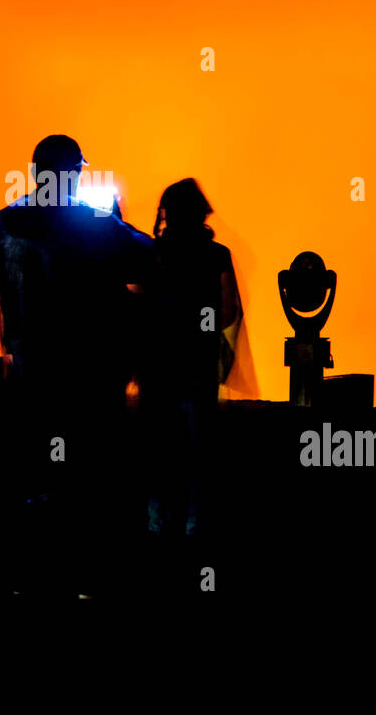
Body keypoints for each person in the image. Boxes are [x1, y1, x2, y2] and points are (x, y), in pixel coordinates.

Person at [0, 134, 153, 595]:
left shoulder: (5, 224)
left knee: (35, 477)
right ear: (74, 172)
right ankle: (88, 580)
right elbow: (146, 260)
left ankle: (31, 577)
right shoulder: (92, 223)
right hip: (87, 376)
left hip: (30, 373)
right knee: (91, 479)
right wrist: (118, 219)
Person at [140, 179, 241, 537]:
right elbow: (228, 312)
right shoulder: (216, 255)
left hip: (156, 365)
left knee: (157, 449)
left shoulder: (151, 252)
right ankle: (195, 524)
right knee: (198, 449)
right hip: (198, 364)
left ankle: (157, 524)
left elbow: (135, 301)